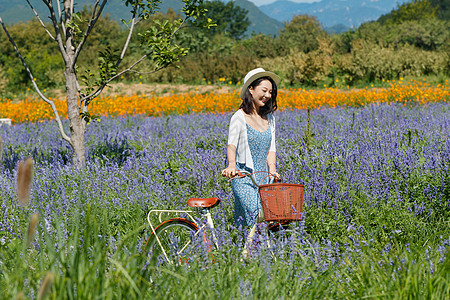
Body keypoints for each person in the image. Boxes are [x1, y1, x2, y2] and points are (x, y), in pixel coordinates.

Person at [222, 67, 281, 227]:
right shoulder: (239, 117)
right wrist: (232, 165)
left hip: (264, 179)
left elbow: (271, 149)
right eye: (264, 90)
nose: (268, 95)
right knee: (258, 218)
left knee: (252, 227)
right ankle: (260, 251)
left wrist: (273, 170)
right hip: (244, 178)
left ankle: (246, 252)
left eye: (270, 92)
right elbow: (231, 145)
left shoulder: (270, 118)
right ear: (251, 89)